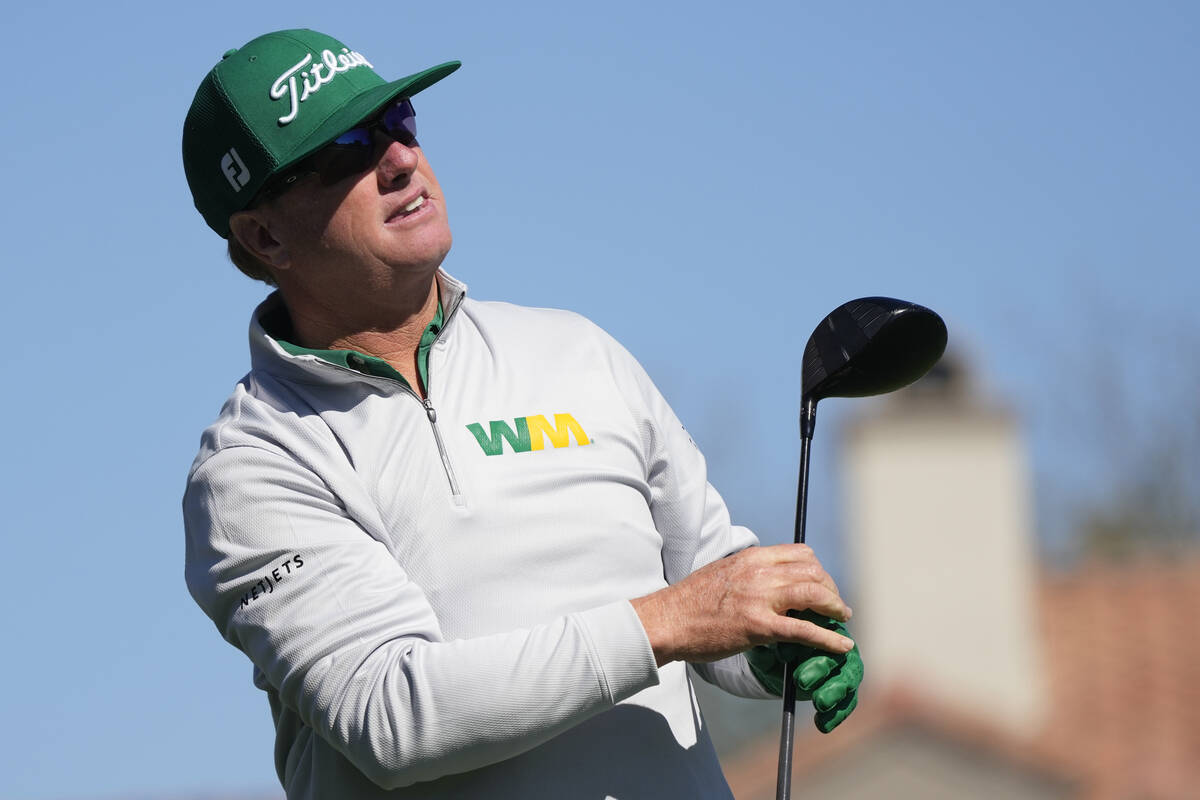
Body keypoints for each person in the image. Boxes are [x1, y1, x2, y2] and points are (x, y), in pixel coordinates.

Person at [181, 28, 863, 800]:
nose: (399, 159)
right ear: (264, 235)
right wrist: (672, 621)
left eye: (395, 120)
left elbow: (710, 589)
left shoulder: (578, 351)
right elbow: (394, 717)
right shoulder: (253, 465)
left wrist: (772, 644)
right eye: (343, 150)